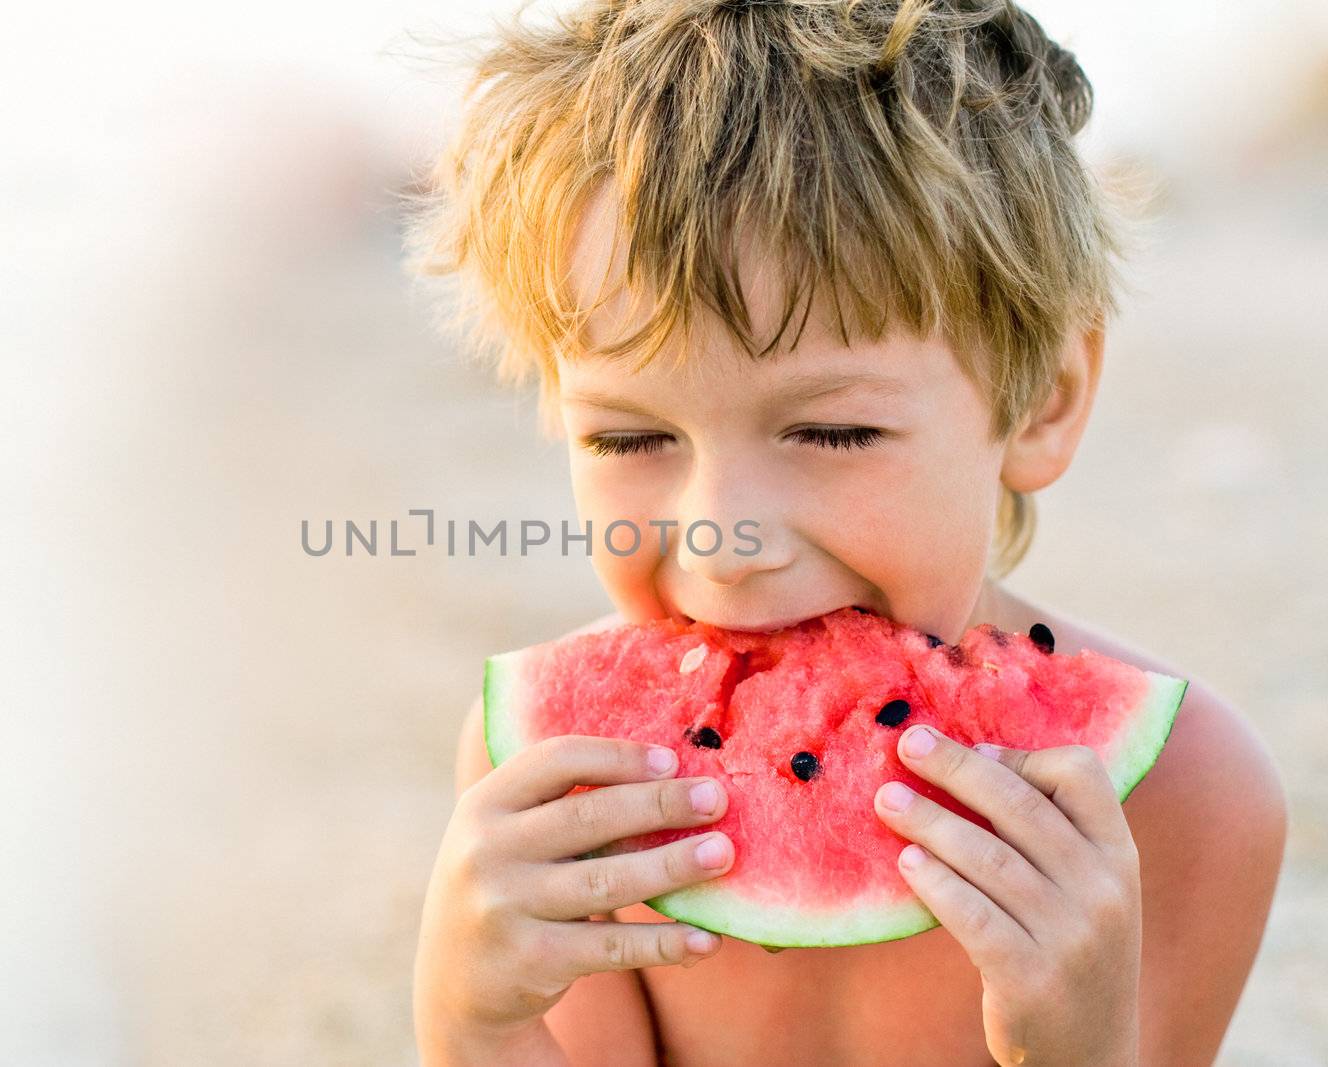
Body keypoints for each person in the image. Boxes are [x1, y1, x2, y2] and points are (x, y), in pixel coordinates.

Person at [399, 2, 1286, 1063]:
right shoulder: (563, 785)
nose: (724, 537)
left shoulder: (1191, 797)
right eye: (630, 437)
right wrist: (472, 1025)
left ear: (1043, 402)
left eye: (830, 429)